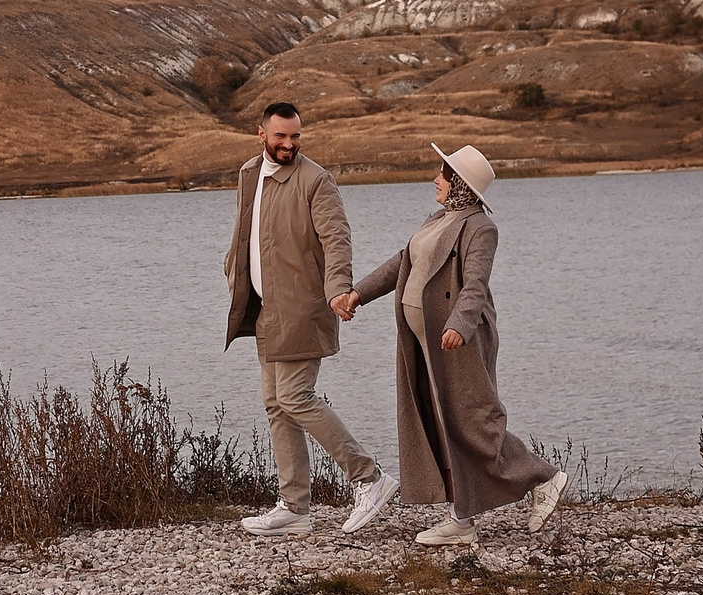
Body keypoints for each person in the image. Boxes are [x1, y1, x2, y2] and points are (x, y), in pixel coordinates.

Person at [338, 143, 566, 546]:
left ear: (458, 182)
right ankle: (460, 518)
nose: (435, 180)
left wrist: (459, 324)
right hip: (423, 338)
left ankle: (544, 478)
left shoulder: (480, 227)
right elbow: (401, 261)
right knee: (441, 421)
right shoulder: (439, 219)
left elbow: (475, 285)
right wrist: (358, 294)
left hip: (456, 341)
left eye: (442, 175)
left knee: (475, 422)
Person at [223, 102, 403, 538]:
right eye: (281, 136)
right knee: (276, 405)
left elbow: (336, 238)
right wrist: (231, 266)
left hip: (304, 306)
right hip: (263, 309)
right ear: (261, 134)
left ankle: (369, 478)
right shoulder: (250, 173)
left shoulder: (315, 180)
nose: (289, 144)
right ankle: (294, 507)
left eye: (296, 137)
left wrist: (340, 287)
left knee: (295, 396)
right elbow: (245, 232)